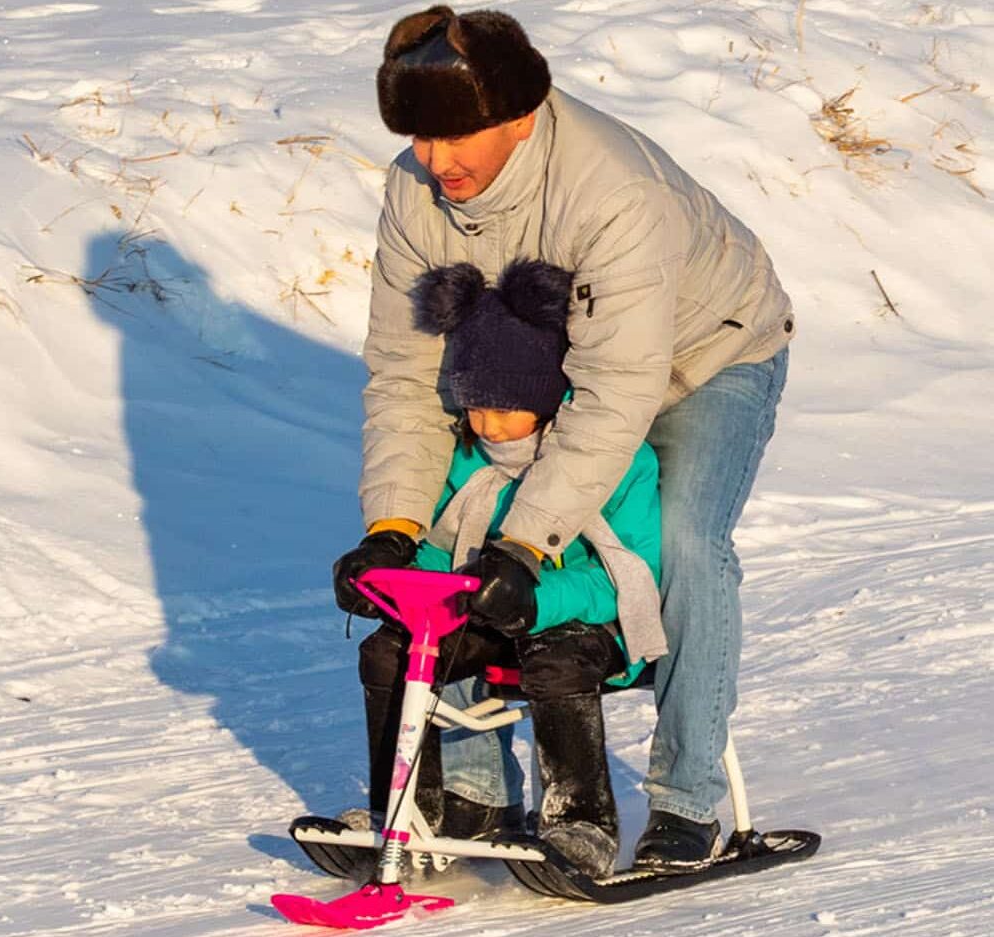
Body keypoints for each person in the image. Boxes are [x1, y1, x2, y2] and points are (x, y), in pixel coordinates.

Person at [332, 5, 794, 872]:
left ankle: (686, 799)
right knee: (448, 533)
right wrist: (393, 524)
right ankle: (471, 791)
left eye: (454, 137)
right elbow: (404, 375)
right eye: (418, 139)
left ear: (520, 116)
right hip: (537, 381)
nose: (435, 162)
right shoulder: (414, 191)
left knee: (686, 541)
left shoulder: (613, 189)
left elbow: (620, 390)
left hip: (704, 358)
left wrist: (527, 541)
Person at [344, 256, 664, 879]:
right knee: (390, 650)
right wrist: (388, 582)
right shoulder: (467, 458)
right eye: (474, 409)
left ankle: (580, 823)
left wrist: (539, 600)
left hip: (596, 627)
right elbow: (443, 550)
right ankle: (413, 811)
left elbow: (625, 579)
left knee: (555, 655)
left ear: (545, 399)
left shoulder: (621, 462)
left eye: (504, 410)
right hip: (493, 616)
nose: (487, 427)